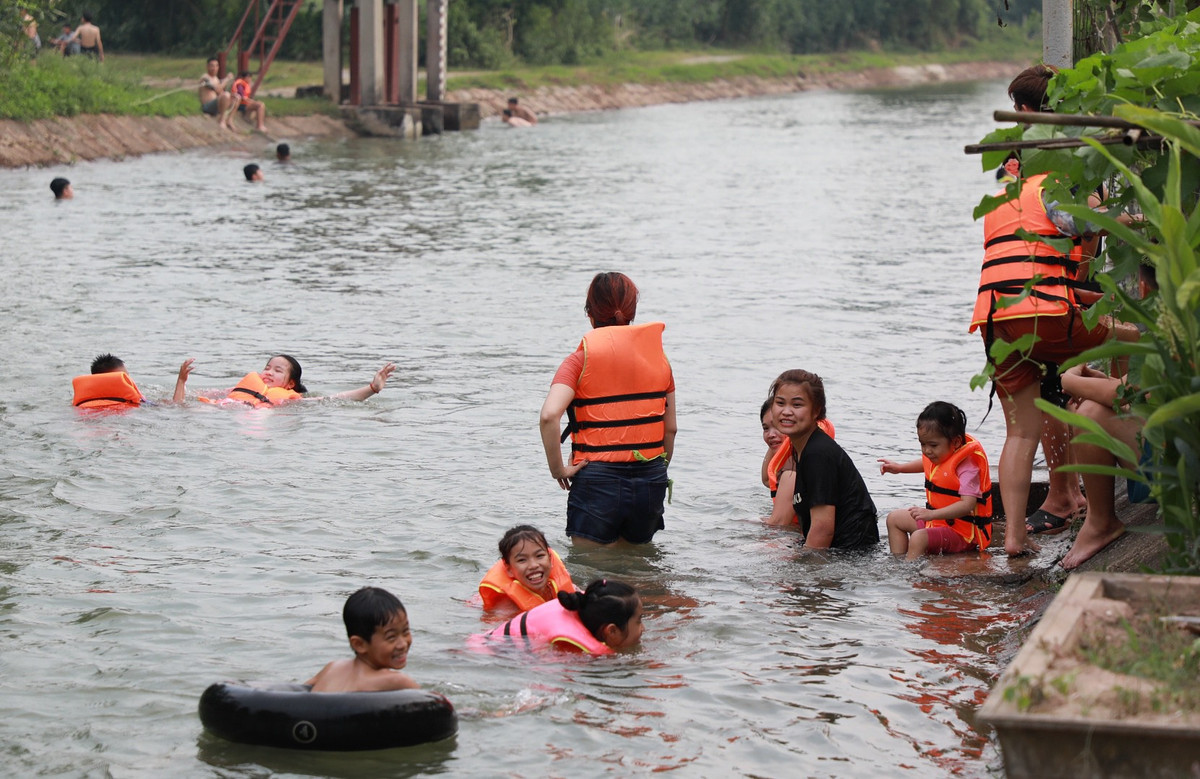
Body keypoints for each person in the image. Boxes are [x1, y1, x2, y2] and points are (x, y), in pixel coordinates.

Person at [970, 133, 1139, 555]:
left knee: (1020, 435)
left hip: (995, 323)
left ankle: (1012, 537)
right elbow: (1087, 224)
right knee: (1135, 337)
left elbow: (1028, 265)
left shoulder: (1000, 201)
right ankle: (1130, 424)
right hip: (1045, 318)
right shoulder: (1054, 188)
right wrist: (1142, 220)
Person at [539, 272, 676, 545]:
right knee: (638, 574)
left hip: (597, 480)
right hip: (650, 479)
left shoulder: (579, 360)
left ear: (590, 314)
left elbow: (549, 416)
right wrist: (652, 473)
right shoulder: (660, 362)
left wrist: (559, 471)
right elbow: (670, 429)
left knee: (593, 576)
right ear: (631, 313)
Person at [767, 369, 879, 548]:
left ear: (816, 411)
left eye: (797, 405)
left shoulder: (817, 454)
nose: (786, 411)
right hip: (838, 552)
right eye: (780, 403)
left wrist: (802, 571)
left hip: (850, 557)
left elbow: (822, 529)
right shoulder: (804, 448)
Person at [879, 402, 993, 559]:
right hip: (939, 522)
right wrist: (900, 468)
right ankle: (898, 563)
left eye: (933, 445)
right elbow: (925, 463)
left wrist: (931, 515)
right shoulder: (941, 454)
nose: (926, 450)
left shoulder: (968, 468)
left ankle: (909, 573)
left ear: (956, 442)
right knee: (894, 519)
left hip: (962, 534)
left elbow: (967, 506)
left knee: (919, 538)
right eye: (922, 444)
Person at [481, 579, 643, 655]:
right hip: (486, 656)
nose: (643, 628)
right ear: (612, 631)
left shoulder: (587, 606)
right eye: (639, 621)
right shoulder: (569, 654)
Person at [306, 587, 418, 692]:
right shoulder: (397, 681)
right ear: (359, 644)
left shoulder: (332, 668)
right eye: (391, 637)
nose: (402, 644)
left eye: (405, 631)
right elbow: (432, 703)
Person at [181, 354, 394, 407]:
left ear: (290, 384)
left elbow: (332, 399)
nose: (268, 372)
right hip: (219, 412)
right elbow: (187, 399)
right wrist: (182, 381)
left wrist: (372, 389)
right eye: (267, 367)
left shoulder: (290, 400)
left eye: (277, 370)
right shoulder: (239, 389)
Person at [762, 398, 836, 526]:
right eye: (765, 428)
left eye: (778, 425)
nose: (771, 434)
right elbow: (767, 480)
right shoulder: (795, 458)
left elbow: (778, 524)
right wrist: (775, 444)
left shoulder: (794, 468)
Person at [478, 525, 576, 613]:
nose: (533, 565)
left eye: (539, 555)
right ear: (509, 570)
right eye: (522, 560)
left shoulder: (556, 586)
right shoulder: (507, 608)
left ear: (550, 559)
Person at [71, 353, 193, 409]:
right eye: (123, 379)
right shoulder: (135, 402)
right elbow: (177, 406)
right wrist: (181, 381)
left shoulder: (81, 406)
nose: (128, 382)